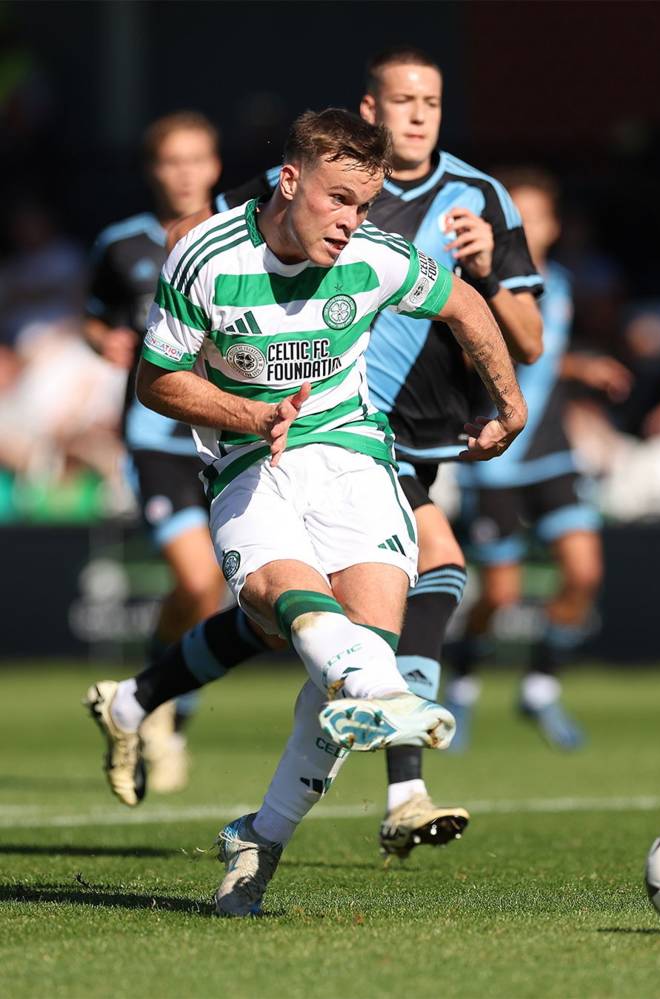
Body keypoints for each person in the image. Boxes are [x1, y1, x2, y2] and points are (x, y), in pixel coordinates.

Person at [87, 47, 543, 860]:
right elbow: (155, 380)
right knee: (303, 615)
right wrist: (246, 410)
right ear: (290, 180)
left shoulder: (390, 243)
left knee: (344, 640)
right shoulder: (205, 255)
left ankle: (258, 835)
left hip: (357, 451)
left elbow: (468, 307)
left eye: (363, 206)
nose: (350, 222)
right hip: (247, 458)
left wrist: (511, 405)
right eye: (338, 200)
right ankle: (393, 750)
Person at [449, 168, 630, 750]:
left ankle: (540, 687)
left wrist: (583, 367)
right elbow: (481, 355)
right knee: (499, 595)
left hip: (552, 452)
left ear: (553, 227)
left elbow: (544, 353)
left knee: (585, 574)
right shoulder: (476, 285)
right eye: (516, 217)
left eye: (537, 217)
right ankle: (463, 687)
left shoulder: (563, 284)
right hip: (496, 456)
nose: (526, 228)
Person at [83, 112, 225, 791]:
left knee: (221, 591)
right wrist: (103, 340)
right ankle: (157, 706)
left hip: (230, 432)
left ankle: (160, 704)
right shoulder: (121, 244)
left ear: (216, 166)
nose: (186, 173)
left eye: (197, 159)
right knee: (198, 582)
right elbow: (97, 317)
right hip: (157, 436)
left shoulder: (246, 235)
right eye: (172, 161)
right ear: (153, 171)